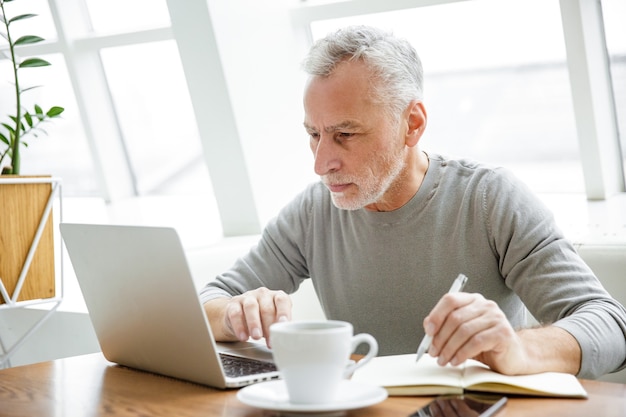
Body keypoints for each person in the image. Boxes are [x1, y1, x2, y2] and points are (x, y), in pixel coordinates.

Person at [200, 25, 626, 379]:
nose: (321, 163)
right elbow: (206, 302)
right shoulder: (313, 212)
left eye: (345, 134)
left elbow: (611, 325)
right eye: (314, 134)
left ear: (413, 124)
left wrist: (518, 349)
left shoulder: (488, 199)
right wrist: (234, 313)